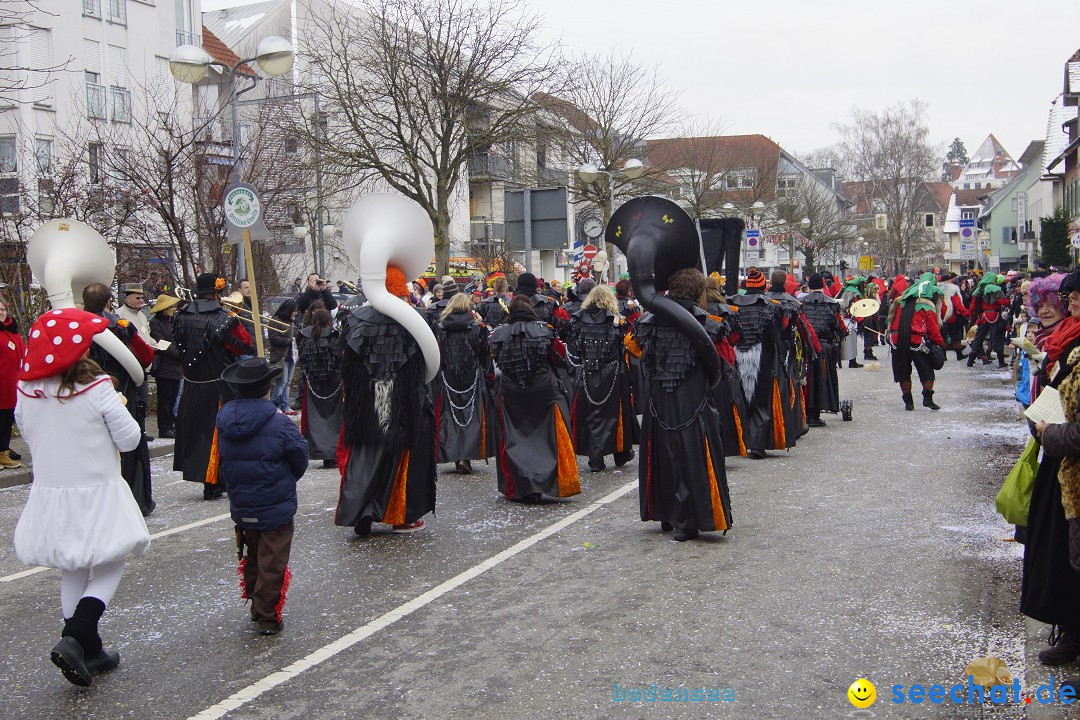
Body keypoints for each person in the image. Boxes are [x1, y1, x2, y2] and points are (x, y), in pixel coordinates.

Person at [14, 308, 149, 686]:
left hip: (52, 491)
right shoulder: (97, 386)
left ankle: (89, 650)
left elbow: (29, 434)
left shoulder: (26, 390)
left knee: (72, 566)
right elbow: (130, 439)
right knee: (111, 561)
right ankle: (77, 635)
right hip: (97, 488)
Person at [626, 266, 732, 542]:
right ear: (699, 292)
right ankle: (688, 520)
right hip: (694, 400)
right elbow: (723, 363)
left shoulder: (650, 321)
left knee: (662, 454)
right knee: (691, 457)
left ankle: (666, 513)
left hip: (657, 400)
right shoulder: (708, 322)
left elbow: (634, 350)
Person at [335, 266, 436, 536]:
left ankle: (361, 511)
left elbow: (345, 360)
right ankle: (400, 516)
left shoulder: (354, 319)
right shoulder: (417, 318)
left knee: (366, 453)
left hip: (366, 396)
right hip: (405, 396)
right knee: (404, 456)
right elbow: (431, 360)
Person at [217, 358, 308, 636]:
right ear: (267, 388)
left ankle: (257, 607)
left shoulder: (224, 420)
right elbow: (299, 459)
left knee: (254, 554)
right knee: (272, 560)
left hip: (242, 500)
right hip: (274, 502)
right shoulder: (280, 424)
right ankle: (267, 615)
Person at [1024, 268, 1080, 665]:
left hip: (1068, 455)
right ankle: (1071, 630)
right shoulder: (1066, 343)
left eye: (1062, 300)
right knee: (1063, 551)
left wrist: (1051, 433)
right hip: (1062, 462)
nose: (1051, 308)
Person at [489, 296, 580, 503]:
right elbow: (559, 357)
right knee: (548, 435)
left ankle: (523, 485)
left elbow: (494, 359)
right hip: (543, 388)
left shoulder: (498, 334)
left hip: (511, 390)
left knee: (515, 436)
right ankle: (547, 480)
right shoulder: (545, 330)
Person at [173, 273, 252, 499]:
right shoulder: (224, 318)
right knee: (218, 433)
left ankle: (206, 480)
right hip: (219, 384)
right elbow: (244, 346)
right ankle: (216, 480)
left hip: (192, 384)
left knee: (197, 432)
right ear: (217, 293)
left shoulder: (181, 315)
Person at [83, 283, 156, 516]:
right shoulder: (121, 326)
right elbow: (145, 356)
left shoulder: (74, 326)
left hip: (84, 394)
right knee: (130, 445)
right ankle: (137, 501)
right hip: (122, 391)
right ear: (108, 302)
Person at [567, 285, 638, 473]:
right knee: (615, 414)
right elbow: (627, 341)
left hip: (587, 372)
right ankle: (619, 452)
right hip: (612, 371)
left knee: (591, 414)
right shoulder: (616, 320)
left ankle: (597, 457)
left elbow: (573, 347)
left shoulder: (577, 319)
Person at [435, 293, 494, 474]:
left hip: (448, 375)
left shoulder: (440, 328)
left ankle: (454, 454)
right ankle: (465, 456)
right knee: (471, 416)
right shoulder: (477, 328)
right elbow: (485, 353)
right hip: (472, 376)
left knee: (450, 416)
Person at [729, 268, 784, 459]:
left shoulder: (732, 303)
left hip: (736, 353)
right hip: (762, 356)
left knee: (740, 398)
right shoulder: (771, 306)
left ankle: (742, 440)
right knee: (760, 400)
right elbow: (775, 335)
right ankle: (758, 444)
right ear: (763, 286)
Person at [887, 273, 945, 411]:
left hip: (898, 341)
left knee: (903, 371)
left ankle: (908, 401)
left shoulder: (901, 302)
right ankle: (927, 398)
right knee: (927, 372)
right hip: (917, 342)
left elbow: (891, 321)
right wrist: (940, 344)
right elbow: (933, 329)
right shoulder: (927, 305)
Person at [704, 276, 748, 457]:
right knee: (727, 405)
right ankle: (727, 445)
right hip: (725, 362)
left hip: (704, 361)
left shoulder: (695, 310)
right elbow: (736, 338)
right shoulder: (728, 310)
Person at [297, 308, 342, 468]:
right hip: (333, 383)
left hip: (313, 383)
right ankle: (331, 453)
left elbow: (302, 359)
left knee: (316, 418)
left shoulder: (304, 337)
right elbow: (338, 357)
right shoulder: (334, 336)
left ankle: (321, 451)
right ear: (329, 320)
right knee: (334, 419)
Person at [801, 274, 845, 426]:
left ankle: (804, 413)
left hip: (804, 346)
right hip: (824, 347)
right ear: (823, 285)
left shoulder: (801, 303)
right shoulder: (832, 304)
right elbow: (838, 327)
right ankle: (814, 415)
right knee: (821, 380)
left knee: (805, 379)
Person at [148, 294, 183, 439]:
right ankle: (164, 427)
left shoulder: (173, 322)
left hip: (176, 367)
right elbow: (161, 343)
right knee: (165, 398)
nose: (174, 309)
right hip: (164, 366)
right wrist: (179, 353)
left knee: (173, 398)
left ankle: (170, 425)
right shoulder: (156, 323)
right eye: (171, 307)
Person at [0, 297, 24, 468]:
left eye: (1, 309)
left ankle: (3, 452)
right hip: (1, 385)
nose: (0, 312)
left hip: (12, 385)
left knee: (8, 419)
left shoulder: (12, 330)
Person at [267, 299, 298, 416]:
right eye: (294, 311)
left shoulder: (292, 322)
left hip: (291, 356)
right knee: (282, 382)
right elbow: (273, 337)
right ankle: (276, 405)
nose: (296, 313)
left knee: (288, 382)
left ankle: (285, 405)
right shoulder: (276, 321)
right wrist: (288, 341)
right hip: (281, 356)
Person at [939, 272, 970, 361]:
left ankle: (943, 356)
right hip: (951, 317)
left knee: (943, 337)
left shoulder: (937, 289)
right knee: (955, 337)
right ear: (948, 280)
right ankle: (959, 354)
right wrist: (965, 313)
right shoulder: (952, 289)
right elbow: (957, 304)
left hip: (941, 316)